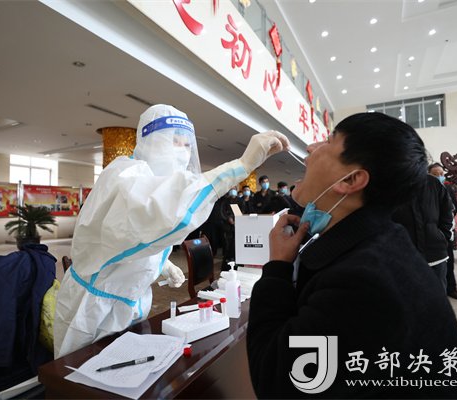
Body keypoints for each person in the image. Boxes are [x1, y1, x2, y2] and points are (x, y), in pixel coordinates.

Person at [247, 112, 457, 398]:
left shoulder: (361, 282)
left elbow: (276, 383)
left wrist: (277, 269)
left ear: (351, 179)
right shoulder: (381, 241)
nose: (310, 148)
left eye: (329, 141)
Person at [53, 104, 289, 357]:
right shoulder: (125, 174)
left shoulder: (149, 180)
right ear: (151, 140)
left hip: (129, 304)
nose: (183, 152)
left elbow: (134, 237)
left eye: (187, 144)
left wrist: (161, 264)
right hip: (89, 312)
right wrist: (241, 165)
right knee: (77, 374)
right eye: (175, 141)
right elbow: (161, 208)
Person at [393, 167, 454, 292]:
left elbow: (447, 211)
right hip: (402, 255)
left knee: (437, 296)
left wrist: (442, 236)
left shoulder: (433, 183)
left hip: (435, 255)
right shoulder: (390, 185)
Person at [429, 162, 457, 300]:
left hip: (445, 231)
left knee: (449, 262)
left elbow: (455, 207)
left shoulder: (448, 188)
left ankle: (451, 288)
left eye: (441, 174)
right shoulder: (426, 189)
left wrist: (446, 227)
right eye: (435, 174)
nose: (439, 177)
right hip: (431, 231)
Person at [219, 186, 242, 269]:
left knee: (237, 243)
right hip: (227, 226)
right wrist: (228, 218)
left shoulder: (240, 200)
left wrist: (237, 219)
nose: (233, 191)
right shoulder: (225, 201)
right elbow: (222, 212)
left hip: (238, 225)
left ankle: (236, 260)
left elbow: (243, 211)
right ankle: (227, 261)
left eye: (234, 189)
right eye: (231, 189)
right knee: (228, 244)